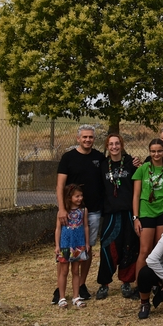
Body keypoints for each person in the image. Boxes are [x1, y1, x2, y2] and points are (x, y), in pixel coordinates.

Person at [54, 124, 105, 304]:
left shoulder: (99, 157)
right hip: (70, 213)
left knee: (87, 248)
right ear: (78, 139)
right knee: (65, 249)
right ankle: (60, 290)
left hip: (92, 211)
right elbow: (60, 186)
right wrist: (62, 208)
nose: (87, 140)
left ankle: (81, 284)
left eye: (90, 137)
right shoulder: (68, 158)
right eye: (84, 137)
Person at [96, 133, 139, 300]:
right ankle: (104, 283)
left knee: (129, 246)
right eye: (111, 144)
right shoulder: (102, 165)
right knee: (107, 247)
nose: (114, 147)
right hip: (111, 214)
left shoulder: (131, 162)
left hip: (128, 212)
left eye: (117, 144)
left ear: (121, 145)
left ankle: (126, 282)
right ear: (107, 146)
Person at [132, 139, 163, 274]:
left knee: (160, 250)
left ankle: (158, 281)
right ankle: (140, 284)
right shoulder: (142, 169)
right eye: (153, 151)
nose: (156, 154)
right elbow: (135, 195)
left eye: (159, 151)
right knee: (145, 250)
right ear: (149, 152)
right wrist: (136, 217)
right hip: (146, 211)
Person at [55, 183, 90, 308]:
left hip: (78, 244)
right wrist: (57, 245)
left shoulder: (83, 211)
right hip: (65, 244)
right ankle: (62, 297)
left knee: (76, 271)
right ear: (70, 197)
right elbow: (58, 229)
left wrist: (86, 243)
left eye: (81, 196)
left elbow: (86, 226)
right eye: (77, 196)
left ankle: (76, 296)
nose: (80, 198)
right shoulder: (62, 212)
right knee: (64, 271)